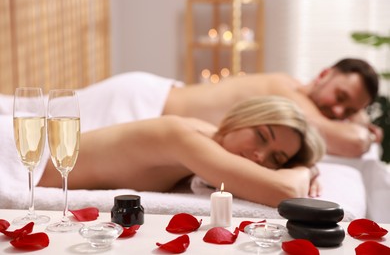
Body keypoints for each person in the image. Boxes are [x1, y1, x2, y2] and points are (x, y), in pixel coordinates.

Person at [38, 96, 326, 208]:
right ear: (242, 118)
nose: (260, 157)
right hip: (26, 160)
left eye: (276, 158)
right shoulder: (185, 137)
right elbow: (284, 190)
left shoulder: (206, 142)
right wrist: (307, 168)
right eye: (262, 136)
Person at [162, 58, 381, 157]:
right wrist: (367, 132)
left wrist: (358, 119)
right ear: (324, 75)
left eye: (350, 111)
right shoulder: (285, 90)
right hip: (150, 103)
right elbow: (352, 143)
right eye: (340, 96)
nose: (339, 112)